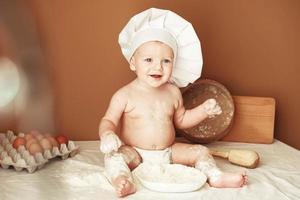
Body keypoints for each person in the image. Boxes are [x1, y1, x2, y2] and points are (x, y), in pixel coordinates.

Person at [99, 8, 248, 197]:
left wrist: (203, 111)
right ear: (133, 62)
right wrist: (107, 134)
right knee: (114, 157)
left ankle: (215, 176)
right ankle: (123, 180)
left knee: (200, 151)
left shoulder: (172, 92)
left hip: (168, 152)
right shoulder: (125, 95)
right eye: (148, 59)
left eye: (166, 61)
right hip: (135, 153)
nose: (157, 67)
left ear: (174, 63)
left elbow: (182, 120)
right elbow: (109, 120)